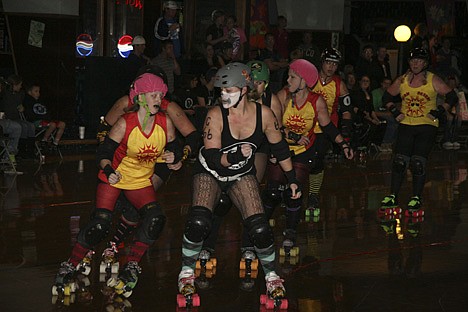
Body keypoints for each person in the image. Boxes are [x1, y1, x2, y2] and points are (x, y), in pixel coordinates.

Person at [177, 63, 299, 308]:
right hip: (210, 171)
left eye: (229, 91)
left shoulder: (264, 114)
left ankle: (273, 278)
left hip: (240, 173)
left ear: (244, 90)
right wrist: (232, 157)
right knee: (199, 221)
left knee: (260, 227)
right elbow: (212, 157)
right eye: (221, 91)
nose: (223, 96)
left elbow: (280, 148)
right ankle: (186, 274)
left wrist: (293, 179)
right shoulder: (215, 114)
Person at [53, 73, 182, 297]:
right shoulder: (126, 123)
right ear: (140, 97)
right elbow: (103, 152)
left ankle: (131, 265)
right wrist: (109, 170)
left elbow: (175, 146)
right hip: (115, 177)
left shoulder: (165, 122)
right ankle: (70, 264)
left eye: (161, 95)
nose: (158, 99)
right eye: (153, 95)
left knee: (156, 219)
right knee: (100, 224)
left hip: (140, 181)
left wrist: (174, 157)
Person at [271, 59, 353, 254]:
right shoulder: (282, 96)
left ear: (304, 81)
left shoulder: (317, 100)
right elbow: (272, 124)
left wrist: (343, 143)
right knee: (273, 193)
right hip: (281, 148)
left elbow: (328, 126)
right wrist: (292, 136)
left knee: (295, 192)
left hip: (304, 149)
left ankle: (290, 232)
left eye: (292, 76)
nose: (287, 79)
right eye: (288, 75)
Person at [379, 48, 457, 217]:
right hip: (406, 124)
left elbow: (452, 97)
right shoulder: (403, 80)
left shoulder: (432, 80)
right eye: (413, 60)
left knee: (417, 163)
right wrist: (394, 112)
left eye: (419, 61)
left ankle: (416, 197)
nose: (415, 64)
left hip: (426, 126)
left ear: (425, 63)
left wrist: (439, 111)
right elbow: (386, 97)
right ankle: (392, 196)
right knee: (399, 161)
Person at [306, 48, 354, 216]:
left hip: (326, 129)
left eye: (334, 64)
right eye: (328, 63)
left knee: (316, 161)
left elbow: (347, 111)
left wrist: (345, 134)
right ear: (322, 62)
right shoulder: (310, 79)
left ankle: (313, 195)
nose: (331, 67)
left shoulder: (339, 84)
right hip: (305, 126)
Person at [0, 74, 36, 158]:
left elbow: (22, 105)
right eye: (19, 85)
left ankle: (28, 150)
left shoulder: (20, 94)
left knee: (30, 126)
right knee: (21, 126)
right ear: (14, 85)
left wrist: (22, 108)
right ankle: (17, 151)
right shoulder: (4, 94)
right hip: (7, 118)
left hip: (13, 118)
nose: (21, 87)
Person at [371, 77, 398, 152]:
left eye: (389, 84)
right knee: (391, 122)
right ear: (381, 83)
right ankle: (385, 142)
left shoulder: (391, 94)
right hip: (376, 113)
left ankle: (389, 143)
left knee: (396, 121)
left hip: (387, 114)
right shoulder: (375, 93)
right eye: (385, 83)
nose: (387, 85)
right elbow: (373, 108)